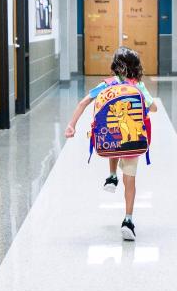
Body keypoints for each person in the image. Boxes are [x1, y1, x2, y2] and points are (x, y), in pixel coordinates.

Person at [64, 47, 157, 241]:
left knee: (112, 139)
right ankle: (128, 220)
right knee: (130, 179)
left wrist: (71, 125)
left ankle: (112, 175)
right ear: (135, 67)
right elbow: (153, 108)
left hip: (110, 139)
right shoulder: (137, 85)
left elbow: (83, 103)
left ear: (115, 66)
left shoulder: (106, 84)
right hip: (133, 141)